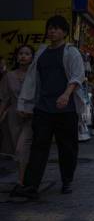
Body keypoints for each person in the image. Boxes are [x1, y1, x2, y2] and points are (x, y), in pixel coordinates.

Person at [12, 15, 86, 199]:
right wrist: (25, 103)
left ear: (65, 32)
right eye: (50, 28)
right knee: (39, 147)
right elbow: (31, 80)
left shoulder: (71, 52)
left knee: (67, 147)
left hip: (66, 109)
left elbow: (77, 76)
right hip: (43, 108)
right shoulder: (41, 52)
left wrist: (66, 94)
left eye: (57, 28)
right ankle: (31, 186)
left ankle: (67, 180)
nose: (52, 31)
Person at [0, 45, 34, 184]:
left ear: (32, 57)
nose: (23, 56)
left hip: (31, 116)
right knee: (18, 150)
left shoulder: (36, 76)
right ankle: (26, 178)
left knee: (22, 148)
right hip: (14, 117)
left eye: (27, 53)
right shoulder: (9, 76)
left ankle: (21, 181)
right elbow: (4, 99)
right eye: (21, 53)